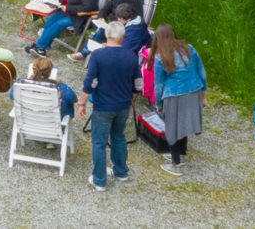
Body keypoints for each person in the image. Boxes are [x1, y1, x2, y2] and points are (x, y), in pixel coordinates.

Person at [82, 20, 140, 190]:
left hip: (103, 106)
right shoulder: (131, 56)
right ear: (123, 36)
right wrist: (131, 101)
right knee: (119, 137)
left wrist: (82, 102)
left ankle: (99, 180)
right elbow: (138, 84)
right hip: (122, 105)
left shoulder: (98, 55)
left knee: (99, 143)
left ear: (107, 35)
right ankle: (121, 172)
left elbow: (90, 82)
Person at [152, 24, 207, 176]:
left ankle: (175, 164)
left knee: (172, 128)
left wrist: (158, 103)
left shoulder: (160, 56)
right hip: (194, 90)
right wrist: (203, 91)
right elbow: (201, 70)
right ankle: (181, 154)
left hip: (174, 94)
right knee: (183, 124)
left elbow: (159, 84)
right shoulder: (189, 48)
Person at [11, 56, 78, 120]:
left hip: (27, 119)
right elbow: (74, 99)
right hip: (52, 123)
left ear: (33, 69)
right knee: (67, 103)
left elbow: (12, 96)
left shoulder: (20, 84)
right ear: (50, 71)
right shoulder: (62, 88)